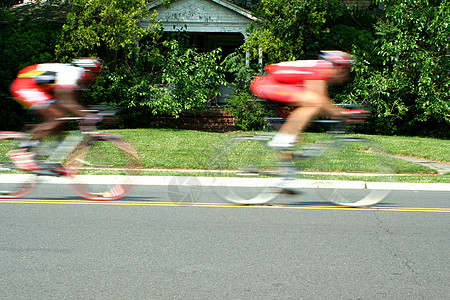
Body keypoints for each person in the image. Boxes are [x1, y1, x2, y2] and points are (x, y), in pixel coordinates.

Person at [250, 50, 362, 149]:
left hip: (273, 85)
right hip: (268, 85)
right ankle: (283, 140)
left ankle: (286, 169)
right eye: (345, 72)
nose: (345, 77)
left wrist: (340, 114)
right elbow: (320, 101)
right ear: (338, 68)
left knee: (292, 137)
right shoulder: (321, 69)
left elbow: (324, 108)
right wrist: (344, 114)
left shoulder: (320, 69)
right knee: (314, 102)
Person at [9, 57, 103, 173]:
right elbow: (68, 101)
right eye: (94, 74)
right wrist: (87, 115)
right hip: (25, 85)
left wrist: (87, 115)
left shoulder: (79, 80)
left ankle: (54, 162)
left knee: (61, 120)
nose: (95, 78)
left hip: (38, 88)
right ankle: (23, 151)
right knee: (56, 117)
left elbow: (75, 106)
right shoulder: (72, 72)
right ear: (88, 70)